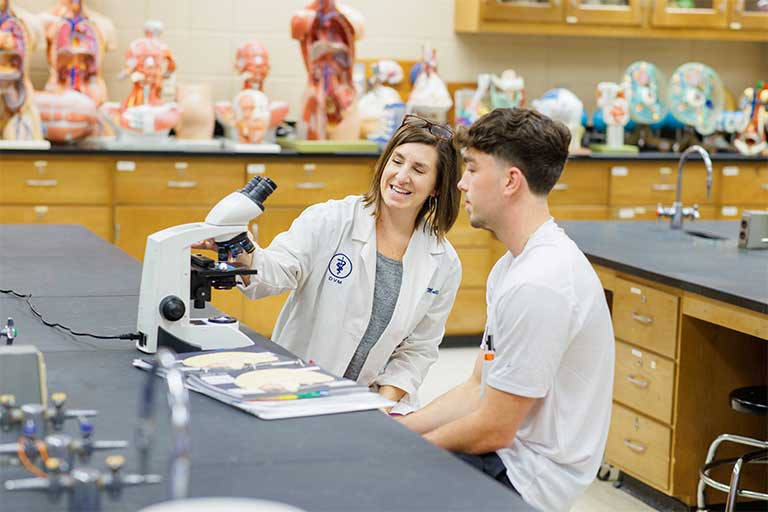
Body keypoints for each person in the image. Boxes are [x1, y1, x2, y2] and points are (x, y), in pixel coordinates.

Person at [399, 108, 615, 511]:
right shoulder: (513, 266)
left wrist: (402, 452)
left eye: (473, 169)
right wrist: (396, 432)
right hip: (509, 454)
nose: (460, 184)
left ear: (511, 181)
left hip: (527, 477)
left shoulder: (540, 282)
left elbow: (494, 430)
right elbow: (475, 390)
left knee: (376, 487)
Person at [202, 115, 462, 413]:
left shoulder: (443, 262)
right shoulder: (331, 219)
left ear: (437, 187)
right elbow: (273, 273)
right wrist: (240, 248)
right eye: (397, 161)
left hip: (372, 401)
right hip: (298, 387)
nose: (401, 176)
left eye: (418, 169)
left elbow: (418, 349)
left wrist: (381, 406)